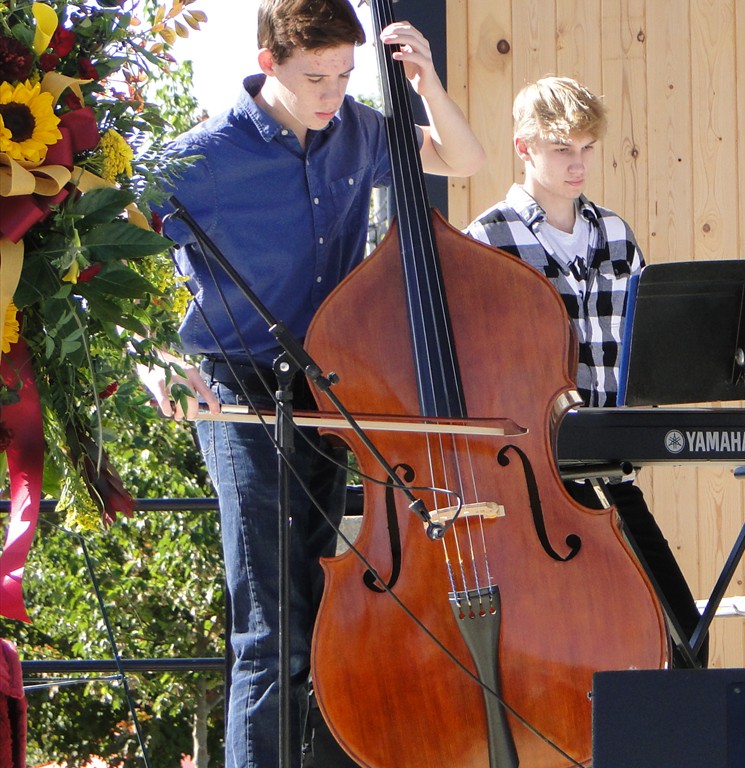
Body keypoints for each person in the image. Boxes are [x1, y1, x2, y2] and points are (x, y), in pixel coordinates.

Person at [135, 1, 485, 766]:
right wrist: (154, 352)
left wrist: (424, 82)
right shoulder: (201, 154)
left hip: (323, 389)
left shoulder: (359, 129)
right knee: (270, 623)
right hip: (233, 391)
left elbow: (462, 160)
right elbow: (109, 256)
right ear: (269, 62)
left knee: (316, 609)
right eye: (315, 76)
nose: (333, 92)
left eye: (346, 75)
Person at [464, 75, 706, 667]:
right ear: (525, 148)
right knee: (561, 635)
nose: (579, 163)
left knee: (683, 629)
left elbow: (646, 343)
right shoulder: (487, 239)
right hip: (530, 472)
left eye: (587, 148)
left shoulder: (617, 235)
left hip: (609, 458)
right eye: (562, 149)